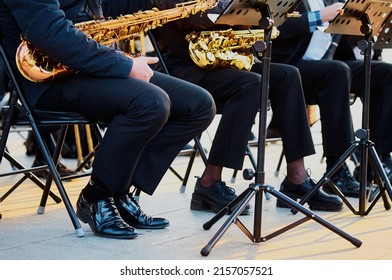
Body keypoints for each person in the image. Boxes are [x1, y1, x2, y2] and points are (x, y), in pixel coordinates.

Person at [0, 0, 216, 239]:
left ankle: (118, 191)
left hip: (90, 66)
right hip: (46, 79)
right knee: (151, 102)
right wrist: (124, 65)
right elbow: (51, 33)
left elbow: (109, 5)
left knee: (198, 105)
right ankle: (96, 197)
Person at [148, 0, 343, 212]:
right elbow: (198, 20)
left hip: (222, 62)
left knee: (288, 75)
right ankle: (209, 182)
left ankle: (297, 179)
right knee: (250, 84)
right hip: (184, 68)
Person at [271, 0, 392, 194]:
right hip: (289, 66)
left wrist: (364, 26)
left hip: (327, 66)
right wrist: (320, 16)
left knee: (385, 73)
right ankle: (337, 169)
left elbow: (338, 36)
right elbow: (272, 27)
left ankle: (375, 163)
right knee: (336, 71)